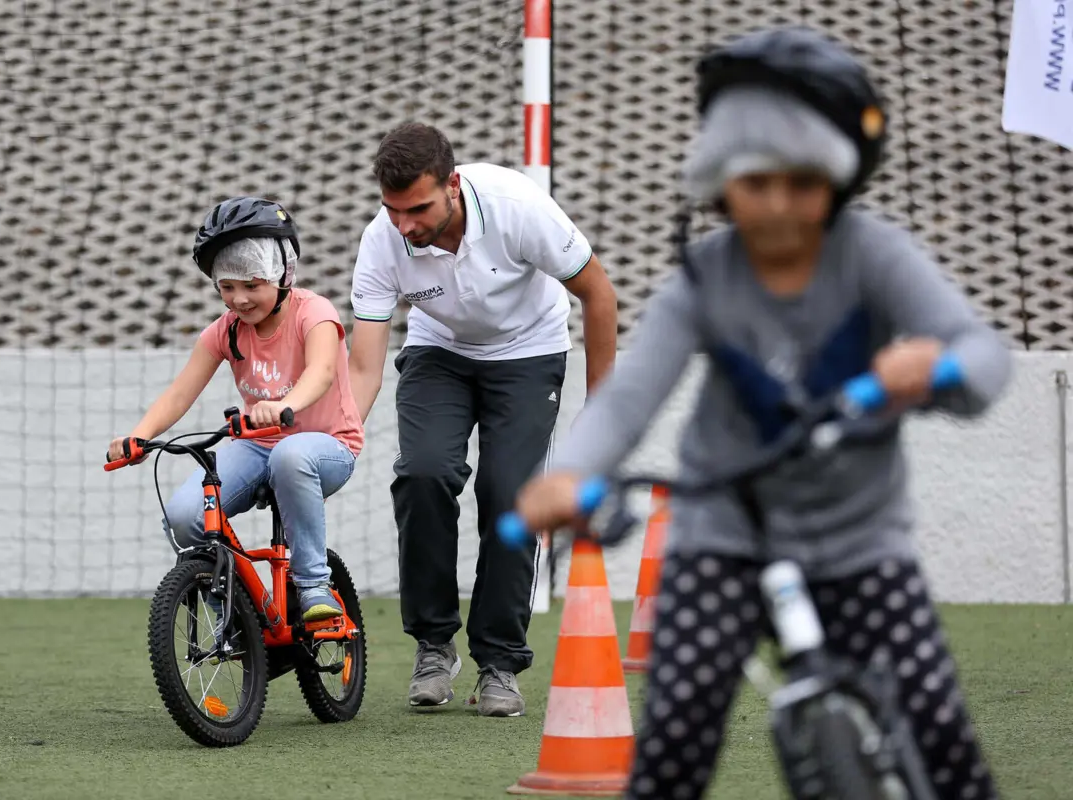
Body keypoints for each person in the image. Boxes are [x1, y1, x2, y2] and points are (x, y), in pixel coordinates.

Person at [511, 26, 1008, 800]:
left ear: (837, 181)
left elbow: (983, 355)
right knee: (675, 741)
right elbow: (631, 395)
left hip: (860, 541)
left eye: (802, 183)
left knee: (941, 735)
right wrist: (572, 473)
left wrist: (937, 366)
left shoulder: (873, 254)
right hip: (723, 536)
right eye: (755, 182)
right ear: (719, 182)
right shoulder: (705, 276)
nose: (778, 206)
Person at [347, 122, 619, 716]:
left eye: (418, 208)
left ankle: (498, 661)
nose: (406, 226)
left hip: (527, 353)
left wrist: (602, 416)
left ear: (452, 184)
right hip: (438, 352)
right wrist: (339, 434)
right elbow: (364, 366)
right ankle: (434, 644)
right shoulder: (382, 240)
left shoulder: (517, 207)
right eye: (393, 211)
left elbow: (599, 295)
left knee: (511, 496)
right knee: (423, 472)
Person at [107, 197, 364, 623]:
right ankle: (235, 605)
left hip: (326, 447)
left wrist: (284, 406)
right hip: (257, 446)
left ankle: (314, 584)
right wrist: (139, 436)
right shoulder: (225, 331)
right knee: (185, 515)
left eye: (252, 284)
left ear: (284, 274)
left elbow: (320, 373)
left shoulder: (313, 312)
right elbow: (179, 393)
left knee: (291, 454)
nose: (239, 299)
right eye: (227, 287)